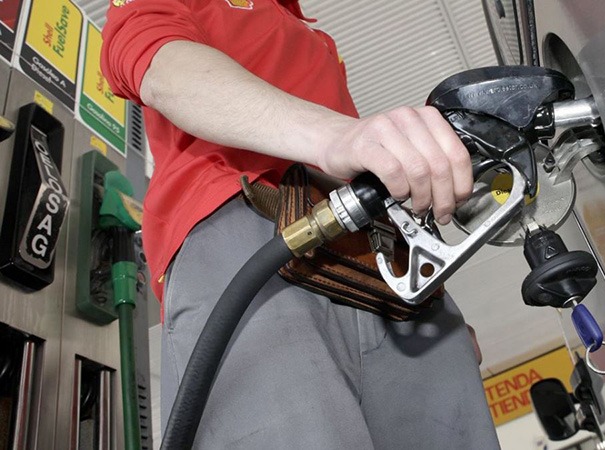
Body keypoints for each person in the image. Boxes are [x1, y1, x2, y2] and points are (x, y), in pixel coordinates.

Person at [101, 1, 500, 448]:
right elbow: (160, 65)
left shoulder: (307, 31)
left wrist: (431, 302)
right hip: (250, 236)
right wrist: (335, 136)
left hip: (379, 270)